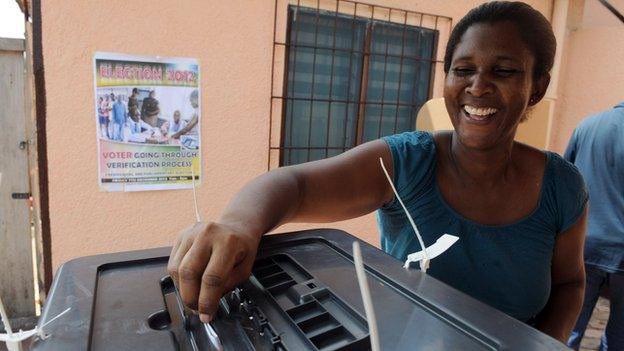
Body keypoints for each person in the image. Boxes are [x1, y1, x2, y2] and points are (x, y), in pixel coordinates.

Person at [168, 1, 588, 343]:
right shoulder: (408, 162)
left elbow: (570, 285)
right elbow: (293, 186)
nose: (478, 86)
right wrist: (239, 226)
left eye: (504, 71)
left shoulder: (561, 187)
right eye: (463, 70)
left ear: (537, 86)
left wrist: (545, 344)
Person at [565, 102, 624, 351]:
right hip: (621, 254)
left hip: (582, 245)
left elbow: (565, 180)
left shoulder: (587, 125)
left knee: (568, 327)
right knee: (620, 336)